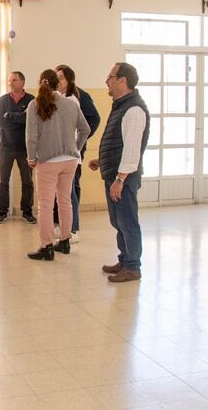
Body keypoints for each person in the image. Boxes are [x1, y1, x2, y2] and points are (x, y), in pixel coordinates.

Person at [88, 62, 150, 283]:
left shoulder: (133, 109)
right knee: (118, 220)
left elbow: (132, 149)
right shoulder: (121, 106)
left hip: (124, 177)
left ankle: (133, 267)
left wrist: (120, 179)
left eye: (111, 76)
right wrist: (103, 160)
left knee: (127, 220)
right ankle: (125, 260)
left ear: (123, 80)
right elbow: (119, 142)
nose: (107, 81)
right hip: (115, 172)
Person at [25, 70, 90, 261]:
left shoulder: (34, 104)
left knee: (45, 205)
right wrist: (75, 149)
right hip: (69, 161)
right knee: (65, 201)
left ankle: (46, 247)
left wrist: (31, 157)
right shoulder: (70, 103)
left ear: (40, 83)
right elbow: (85, 129)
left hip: (47, 161)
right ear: (57, 84)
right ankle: (65, 241)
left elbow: (31, 136)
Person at [53, 65, 101, 244]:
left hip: (73, 150)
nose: (58, 81)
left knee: (71, 188)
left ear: (70, 80)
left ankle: (73, 228)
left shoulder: (78, 98)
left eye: (61, 77)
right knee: (63, 189)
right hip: (60, 151)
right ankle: (62, 224)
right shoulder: (58, 97)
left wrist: (78, 144)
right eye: (55, 77)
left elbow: (93, 120)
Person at [0, 71, 36, 224]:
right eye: (9, 80)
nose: (11, 83)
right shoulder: (2, 101)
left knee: (27, 181)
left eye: (15, 80)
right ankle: (1, 212)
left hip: (26, 148)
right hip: (5, 146)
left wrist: (10, 116)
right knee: (2, 180)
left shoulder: (32, 101)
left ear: (23, 83)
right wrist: (20, 119)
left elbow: (32, 121)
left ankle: (27, 211)